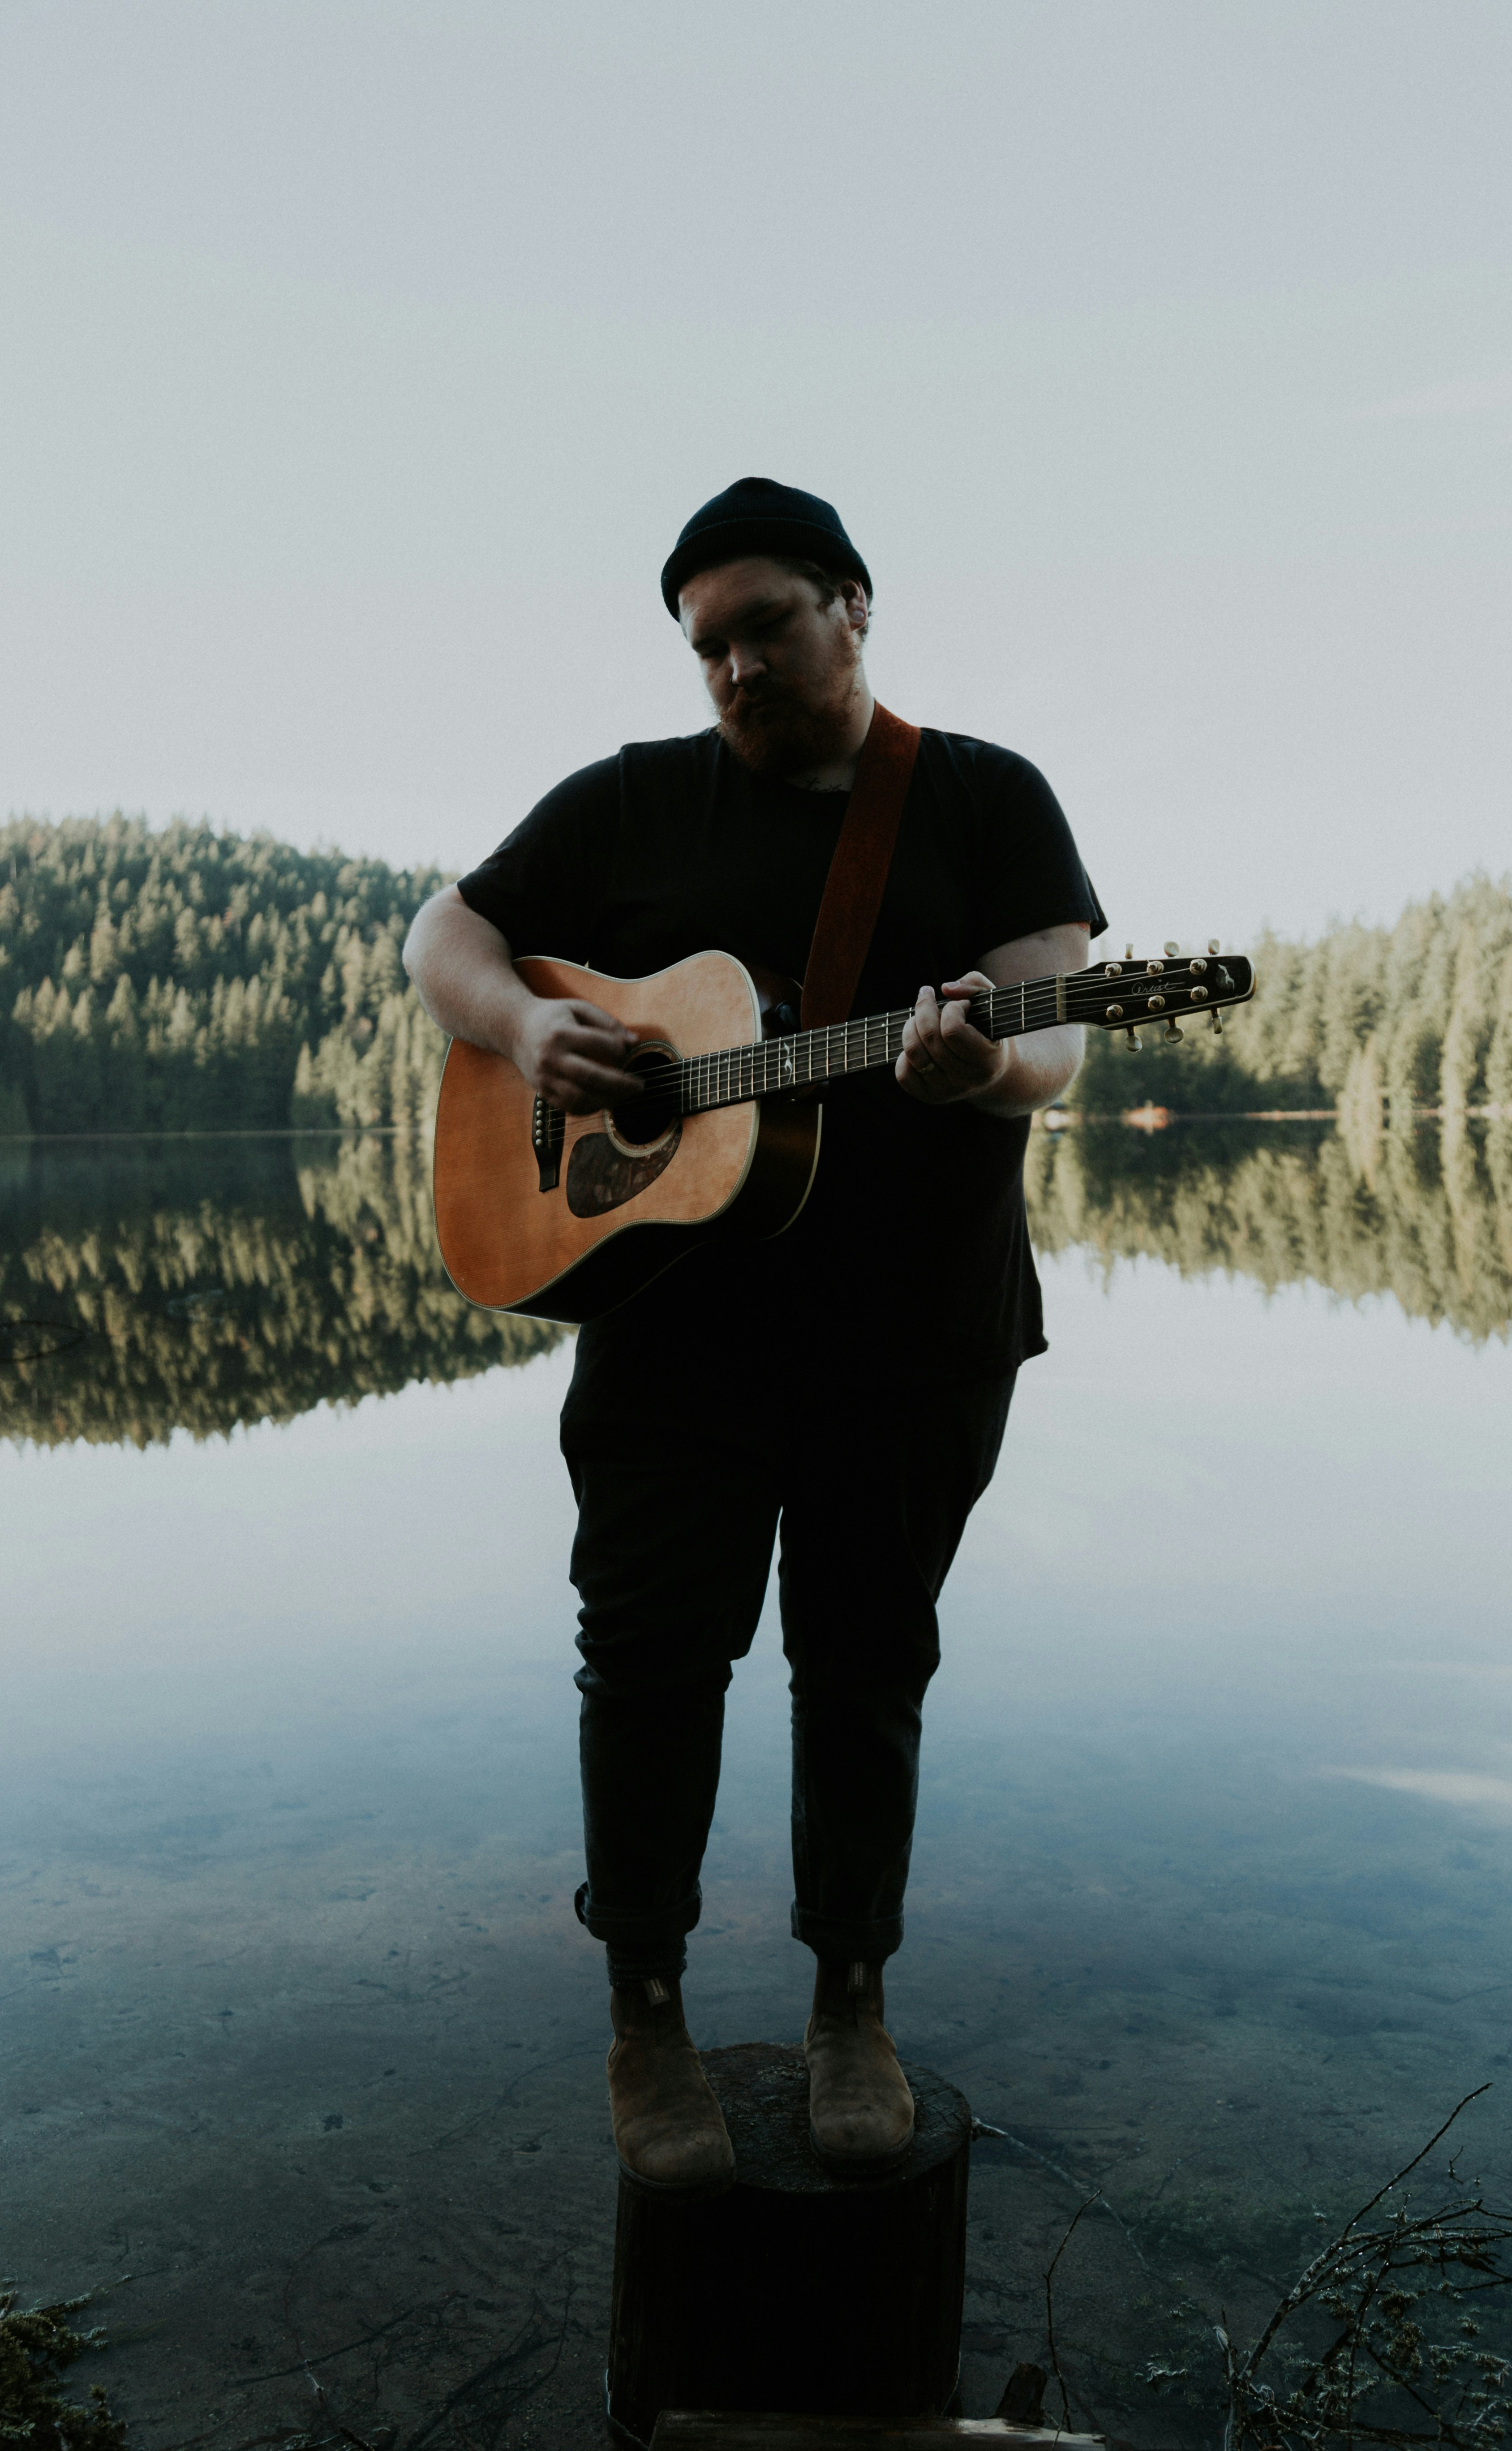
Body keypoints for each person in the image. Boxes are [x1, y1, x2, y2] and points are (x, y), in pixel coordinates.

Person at [403, 477, 1106, 2198]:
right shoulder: (632, 806)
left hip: (914, 1334)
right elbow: (449, 933)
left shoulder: (983, 796)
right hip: (673, 1339)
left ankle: (848, 2005)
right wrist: (530, 1024)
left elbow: (1062, 1021)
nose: (732, 671)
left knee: (866, 1669)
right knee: (648, 1668)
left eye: (762, 629)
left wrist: (985, 1064)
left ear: (854, 604)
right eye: (703, 647)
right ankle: (647, 2017)